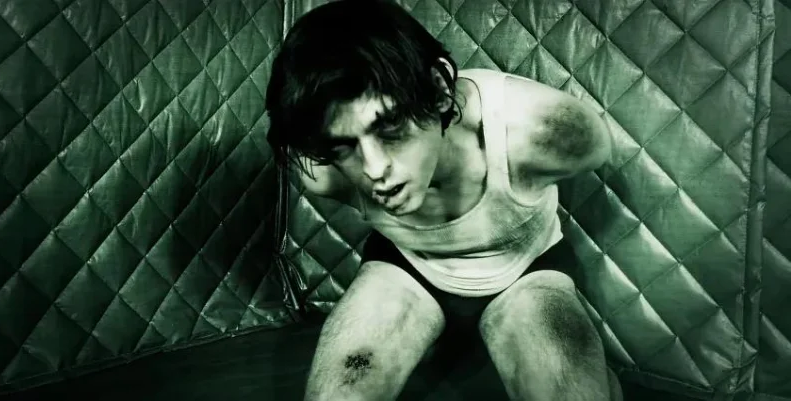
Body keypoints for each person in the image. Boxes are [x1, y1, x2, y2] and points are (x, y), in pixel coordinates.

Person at [266, 0, 622, 400]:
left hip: (526, 271)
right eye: (344, 145)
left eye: (389, 126)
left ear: (438, 90)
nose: (374, 169)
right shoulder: (321, 171)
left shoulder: (542, 132)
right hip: (407, 270)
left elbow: (595, 149)